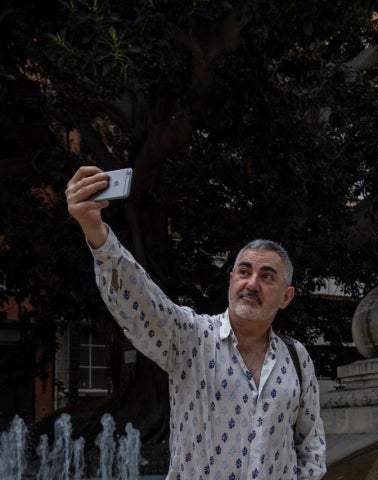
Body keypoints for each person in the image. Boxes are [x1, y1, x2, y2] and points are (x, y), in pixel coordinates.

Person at [65, 166, 326, 479]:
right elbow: (142, 303)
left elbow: (311, 445)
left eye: (267, 276)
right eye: (244, 272)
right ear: (231, 280)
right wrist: (97, 233)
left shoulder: (297, 358)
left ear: (286, 296)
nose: (252, 283)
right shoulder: (191, 337)